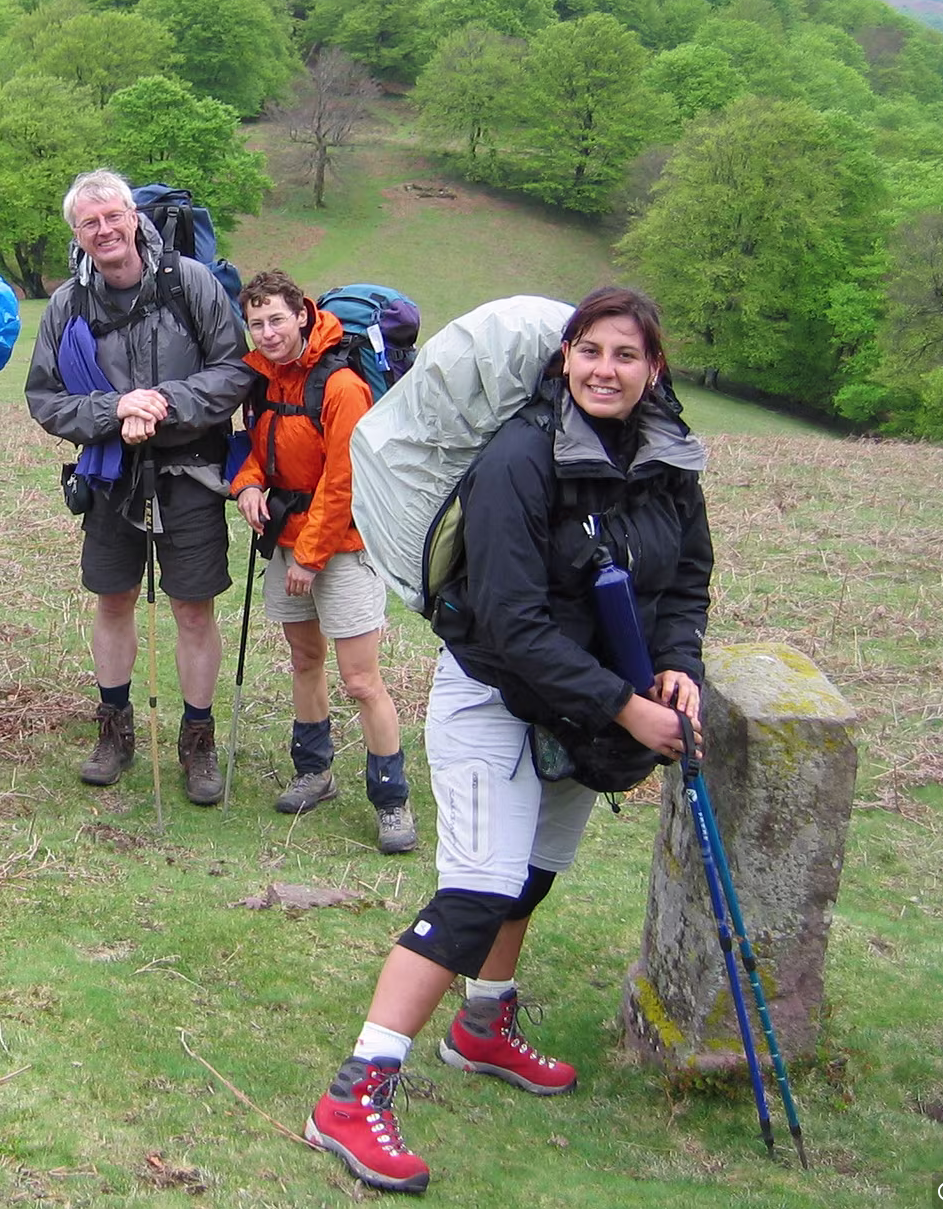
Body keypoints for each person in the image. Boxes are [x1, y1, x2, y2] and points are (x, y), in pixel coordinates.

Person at [305, 287, 712, 1195]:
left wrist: (677, 666)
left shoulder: (666, 458)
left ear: (654, 369)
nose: (606, 370)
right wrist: (627, 709)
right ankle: (352, 1096)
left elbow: (686, 580)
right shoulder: (521, 458)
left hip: (591, 705)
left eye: (627, 355)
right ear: (566, 357)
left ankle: (482, 1026)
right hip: (494, 694)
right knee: (478, 892)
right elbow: (511, 622)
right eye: (591, 351)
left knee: (532, 875)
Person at [26, 170, 252, 804]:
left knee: (192, 607)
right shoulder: (68, 304)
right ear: (77, 234)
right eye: (89, 223)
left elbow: (235, 369)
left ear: (133, 218)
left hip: (191, 470)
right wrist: (116, 409)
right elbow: (45, 398)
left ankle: (198, 740)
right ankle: (113, 730)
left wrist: (162, 404)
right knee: (113, 599)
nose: (104, 231)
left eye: (112, 217)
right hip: (109, 473)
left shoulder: (191, 282)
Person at [229, 271, 417, 855]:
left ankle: (392, 800)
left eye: (276, 320)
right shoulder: (264, 380)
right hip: (288, 540)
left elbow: (345, 479)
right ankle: (314, 772)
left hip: (344, 549)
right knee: (305, 660)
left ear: (301, 315)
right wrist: (247, 485)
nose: (267, 333)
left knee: (361, 680)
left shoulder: (341, 385)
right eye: (257, 324)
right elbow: (260, 450)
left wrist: (310, 558)